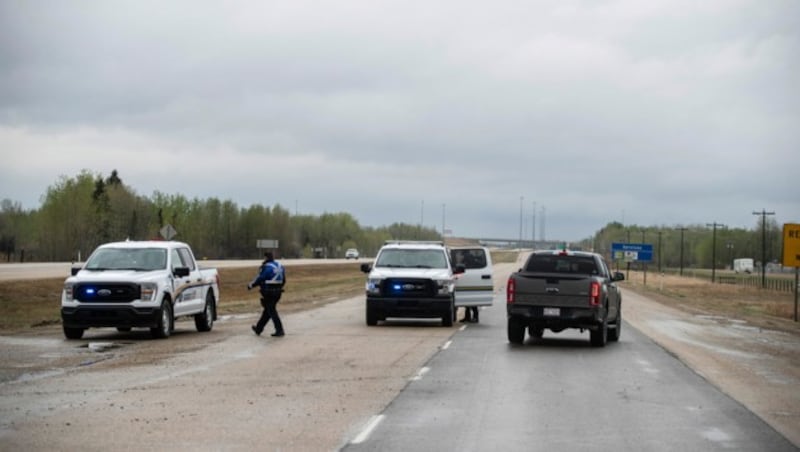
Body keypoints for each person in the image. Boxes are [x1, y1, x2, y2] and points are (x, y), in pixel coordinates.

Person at [247, 252, 285, 337]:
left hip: (269, 292)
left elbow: (261, 278)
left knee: (271, 310)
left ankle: (279, 330)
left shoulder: (266, 267)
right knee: (268, 311)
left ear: (266, 258)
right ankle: (258, 329)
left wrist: (251, 285)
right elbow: (284, 279)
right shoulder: (280, 266)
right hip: (278, 292)